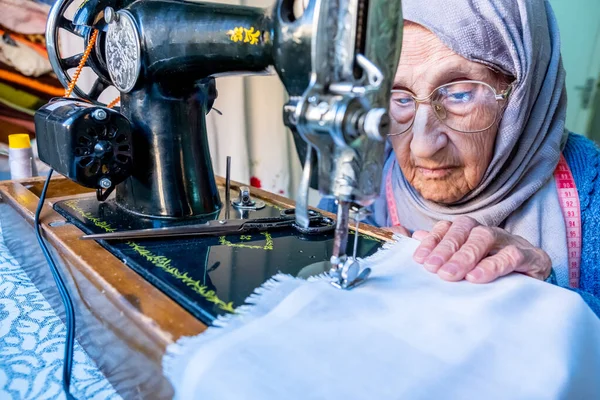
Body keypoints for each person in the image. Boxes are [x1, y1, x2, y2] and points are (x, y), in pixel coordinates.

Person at [319, 0, 600, 316]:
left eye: (459, 94)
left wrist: (548, 296)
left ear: (522, 95)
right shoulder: (361, 165)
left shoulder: (592, 194)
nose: (423, 147)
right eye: (400, 97)